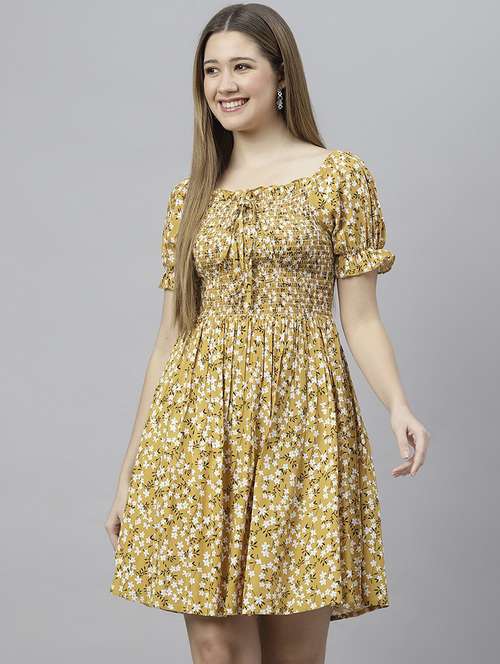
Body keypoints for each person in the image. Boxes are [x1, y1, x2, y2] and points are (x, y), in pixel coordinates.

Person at [105, 4, 430, 663]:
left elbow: (361, 317)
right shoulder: (190, 196)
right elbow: (169, 340)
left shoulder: (339, 177)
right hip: (198, 431)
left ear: (281, 75)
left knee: (293, 653)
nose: (224, 84)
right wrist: (129, 472)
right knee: (215, 646)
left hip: (301, 423)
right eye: (210, 70)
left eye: (241, 67)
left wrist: (398, 404)